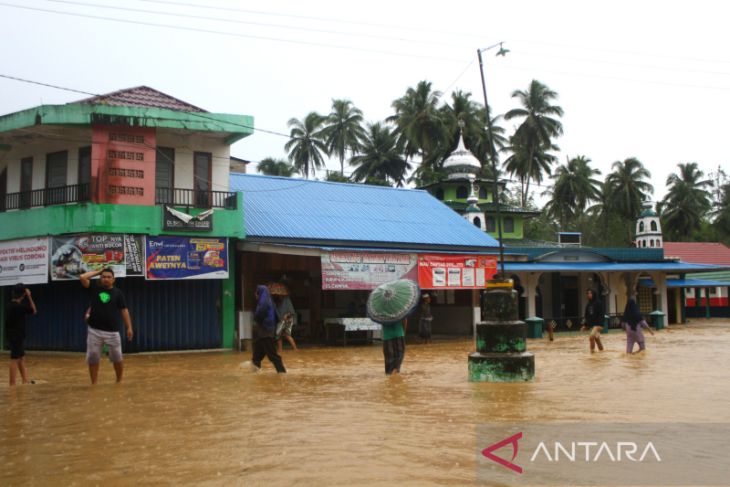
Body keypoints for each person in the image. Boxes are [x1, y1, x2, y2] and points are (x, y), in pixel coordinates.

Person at [80, 268, 133, 384]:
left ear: (113, 280)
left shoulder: (118, 293)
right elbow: (83, 277)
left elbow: (124, 310)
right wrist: (98, 271)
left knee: (117, 358)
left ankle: (119, 382)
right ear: (100, 278)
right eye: (103, 277)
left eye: (109, 277)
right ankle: (93, 384)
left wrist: (129, 327)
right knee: (93, 358)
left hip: (112, 332)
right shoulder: (94, 288)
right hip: (94, 330)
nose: (106, 279)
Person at [6, 283, 37, 385]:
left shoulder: (10, 305)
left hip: (13, 335)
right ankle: (12, 384)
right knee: (14, 358)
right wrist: (29, 296)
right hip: (16, 336)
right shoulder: (19, 307)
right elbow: (34, 310)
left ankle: (25, 380)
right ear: (23, 295)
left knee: (21, 357)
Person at [251, 285, 286, 373]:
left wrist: (257, 320)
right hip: (265, 332)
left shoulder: (263, 303)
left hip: (265, 332)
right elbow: (277, 317)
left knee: (273, 355)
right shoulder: (270, 302)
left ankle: (282, 373)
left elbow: (258, 315)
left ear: (259, 293)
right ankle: (255, 374)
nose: (255, 295)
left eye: (256, 293)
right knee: (256, 357)